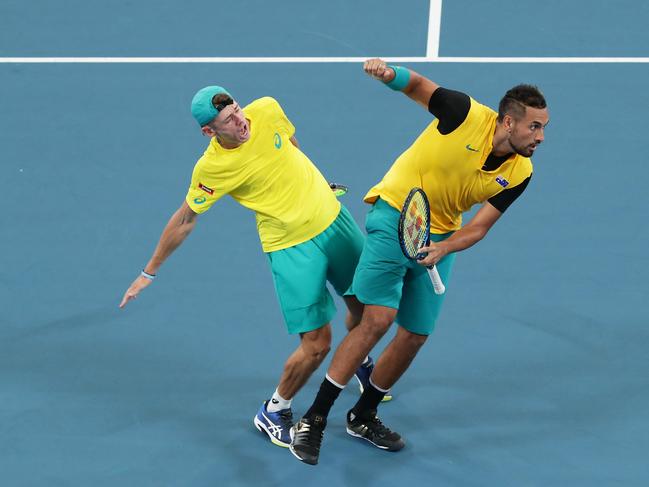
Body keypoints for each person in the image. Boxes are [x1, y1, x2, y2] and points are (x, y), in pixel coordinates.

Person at [289, 58, 549, 465]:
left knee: (416, 334)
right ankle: (314, 419)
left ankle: (363, 414)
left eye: (544, 127)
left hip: (441, 234)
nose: (541, 136)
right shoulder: (464, 113)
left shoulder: (521, 172)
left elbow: (479, 227)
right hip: (396, 211)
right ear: (507, 122)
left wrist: (445, 248)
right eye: (534, 126)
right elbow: (420, 87)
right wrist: (389, 74)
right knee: (377, 319)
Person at [119, 85, 378, 449]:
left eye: (238, 109)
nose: (241, 120)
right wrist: (149, 272)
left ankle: (359, 362)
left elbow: (290, 144)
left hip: (335, 220)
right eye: (228, 120)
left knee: (367, 308)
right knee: (317, 345)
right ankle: (274, 410)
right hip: (291, 246)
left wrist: (315, 185)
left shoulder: (268, 109)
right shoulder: (212, 168)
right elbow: (185, 219)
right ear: (209, 132)